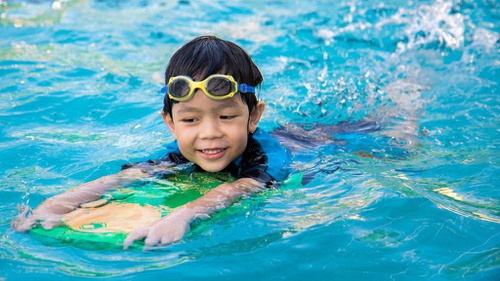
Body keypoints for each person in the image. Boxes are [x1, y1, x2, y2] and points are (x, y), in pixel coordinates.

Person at [11, 35, 294, 249]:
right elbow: (125, 177)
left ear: (254, 116)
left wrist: (184, 215)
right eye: (190, 120)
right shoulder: (181, 153)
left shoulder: (267, 155)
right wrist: (57, 204)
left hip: (313, 143)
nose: (209, 133)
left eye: (227, 116)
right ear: (170, 123)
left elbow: (242, 187)